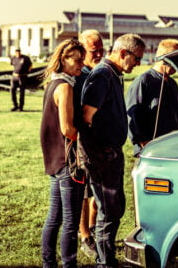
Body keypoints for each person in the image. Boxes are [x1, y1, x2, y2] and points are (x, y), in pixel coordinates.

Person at [80, 33, 145, 267]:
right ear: (123, 53)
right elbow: (86, 117)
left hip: (112, 151)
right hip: (102, 154)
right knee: (107, 211)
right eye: (136, 58)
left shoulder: (115, 74)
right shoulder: (103, 75)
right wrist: (99, 153)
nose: (138, 63)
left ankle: (106, 257)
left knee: (115, 208)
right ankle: (104, 262)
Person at [40, 38, 86, 268]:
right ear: (63, 60)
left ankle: (49, 264)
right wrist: (86, 136)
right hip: (68, 163)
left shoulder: (53, 83)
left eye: (82, 59)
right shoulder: (65, 87)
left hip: (55, 160)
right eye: (76, 60)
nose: (81, 64)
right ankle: (69, 264)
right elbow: (67, 128)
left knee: (54, 218)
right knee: (70, 221)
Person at [73, 30, 105, 259]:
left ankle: (93, 229)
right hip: (83, 142)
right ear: (83, 50)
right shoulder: (78, 76)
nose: (99, 53)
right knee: (84, 190)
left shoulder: (98, 73)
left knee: (96, 188)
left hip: (100, 140)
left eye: (102, 49)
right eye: (94, 50)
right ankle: (84, 234)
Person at [126, 39, 178, 157]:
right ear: (164, 58)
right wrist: (145, 143)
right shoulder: (143, 82)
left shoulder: (173, 84)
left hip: (172, 148)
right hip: (150, 150)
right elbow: (133, 117)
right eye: (176, 60)